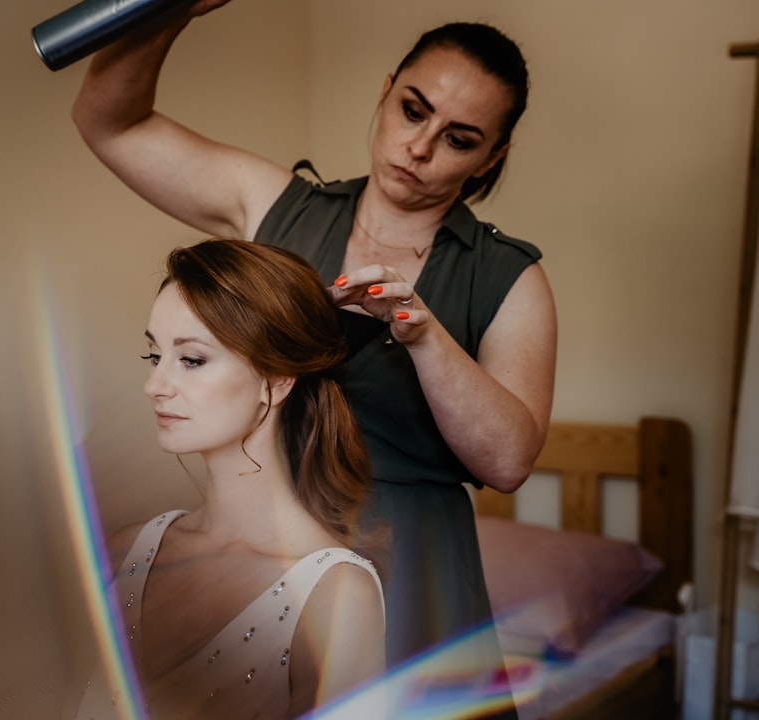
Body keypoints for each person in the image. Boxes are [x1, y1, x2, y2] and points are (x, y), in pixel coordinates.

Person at [70, 0, 557, 707]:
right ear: (385, 90)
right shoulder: (276, 206)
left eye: (458, 138)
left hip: (416, 559)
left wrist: (421, 332)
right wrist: (171, 11)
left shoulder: (507, 276)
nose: (419, 148)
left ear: (493, 155)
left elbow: (509, 461)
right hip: (266, 541)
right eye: (412, 109)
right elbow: (107, 120)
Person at [74, 239, 385, 720]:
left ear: (278, 379)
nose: (154, 385)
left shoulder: (335, 597)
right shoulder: (126, 554)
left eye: (192, 359)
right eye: (153, 356)